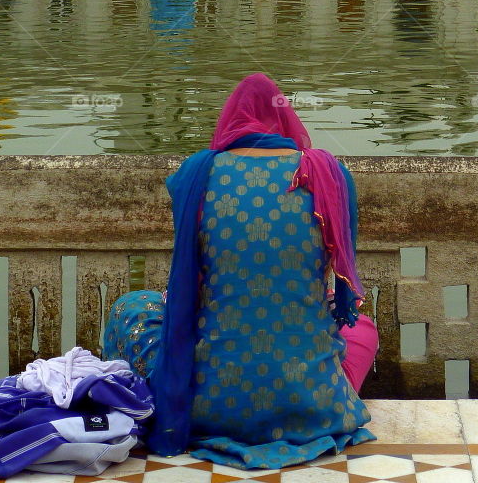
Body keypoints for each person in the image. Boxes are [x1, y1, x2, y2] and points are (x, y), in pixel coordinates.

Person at [101, 74, 378, 469]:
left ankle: (152, 404)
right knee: (360, 328)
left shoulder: (197, 172)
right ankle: (320, 398)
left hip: (208, 405)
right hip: (314, 405)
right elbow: (332, 278)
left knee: (133, 306)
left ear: (229, 122)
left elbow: (192, 282)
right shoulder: (328, 173)